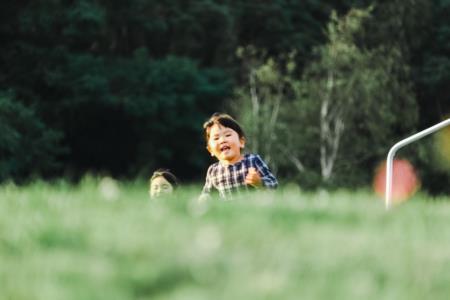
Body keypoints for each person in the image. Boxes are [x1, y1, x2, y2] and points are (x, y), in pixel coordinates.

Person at [199, 112, 278, 200]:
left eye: (228, 135)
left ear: (241, 142)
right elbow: (207, 194)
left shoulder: (253, 161)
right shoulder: (213, 171)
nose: (222, 140)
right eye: (216, 138)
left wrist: (259, 183)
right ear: (210, 150)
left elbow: (273, 183)